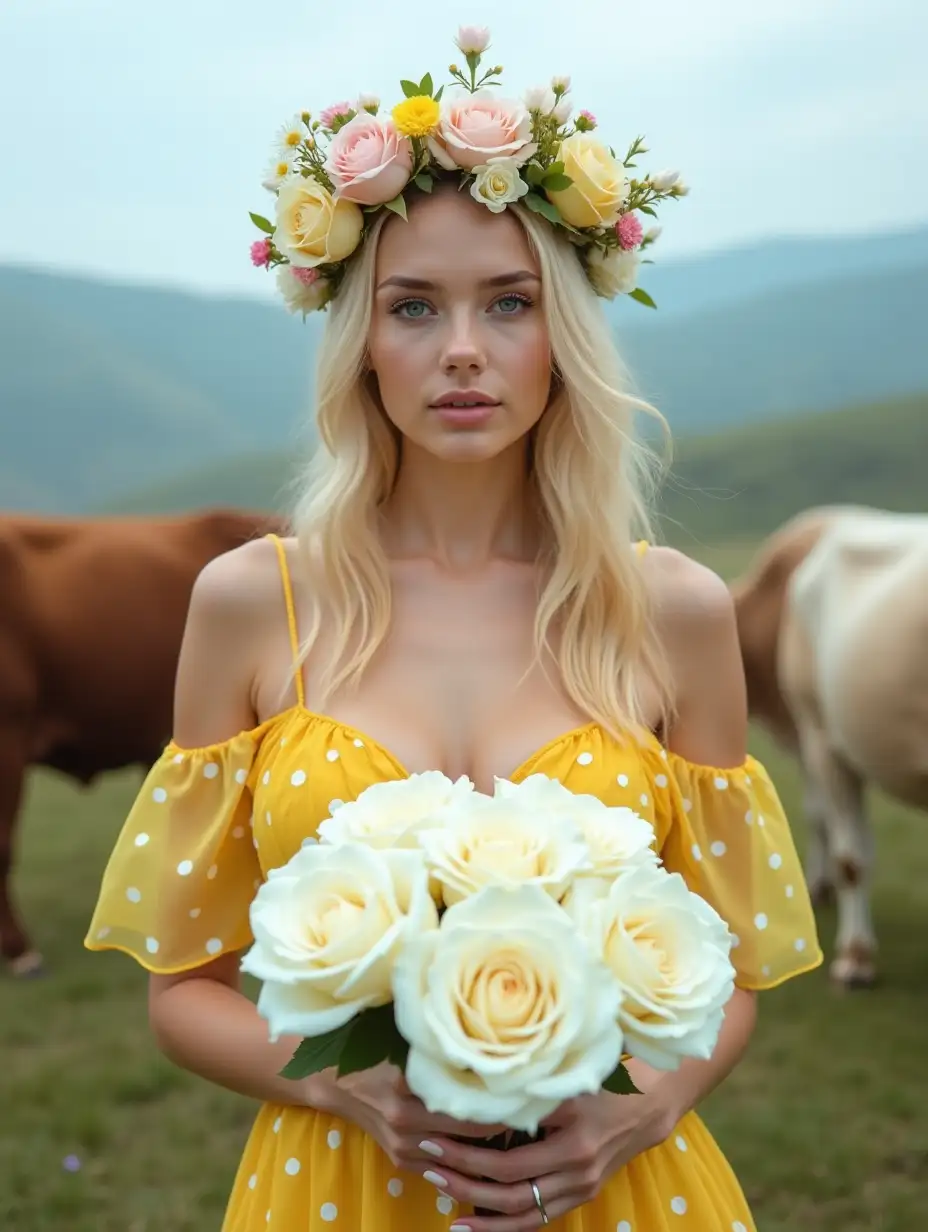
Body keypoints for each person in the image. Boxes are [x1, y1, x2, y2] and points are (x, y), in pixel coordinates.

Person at [85, 29, 823, 1232]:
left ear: (563, 339)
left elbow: (731, 974)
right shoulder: (250, 601)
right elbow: (183, 991)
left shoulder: (673, 611)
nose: (463, 349)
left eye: (510, 303)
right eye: (414, 306)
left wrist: (635, 1112)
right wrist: (352, 1084)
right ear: (359, 345)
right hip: (335, 1189)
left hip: (616, 1193)